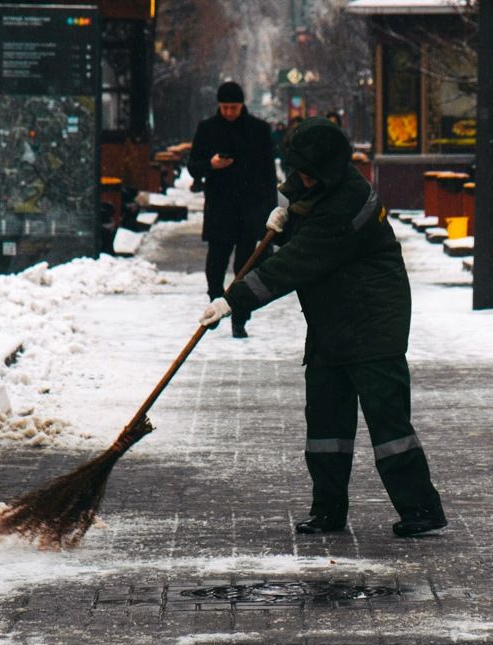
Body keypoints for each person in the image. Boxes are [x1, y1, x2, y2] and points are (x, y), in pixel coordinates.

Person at [197, 117, 447, 538]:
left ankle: (421, 508)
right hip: (333, 320)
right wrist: (285, 217)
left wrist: (232, 300)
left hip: (372, 323)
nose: (300, 178)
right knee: (326, 422)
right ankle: (328, 510)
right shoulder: (323, 189)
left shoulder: (347, 205)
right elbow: (302, 212)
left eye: (307, 172)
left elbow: (296, 263)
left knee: (388, 424)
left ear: (326, 171)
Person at [187, 81, 278, 338]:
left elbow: (269, 174)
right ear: (219, 105)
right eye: (225, 107)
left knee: (245, 267)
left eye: (234, 107)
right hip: (220, 206)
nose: (229, 112)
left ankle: (240, 317)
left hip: (250, 208)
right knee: (216, 263)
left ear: (242, 105)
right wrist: (211, 164)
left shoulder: (259, 130)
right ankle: (215, 304)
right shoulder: (207, 129)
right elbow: (193, 165)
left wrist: (270, 211)